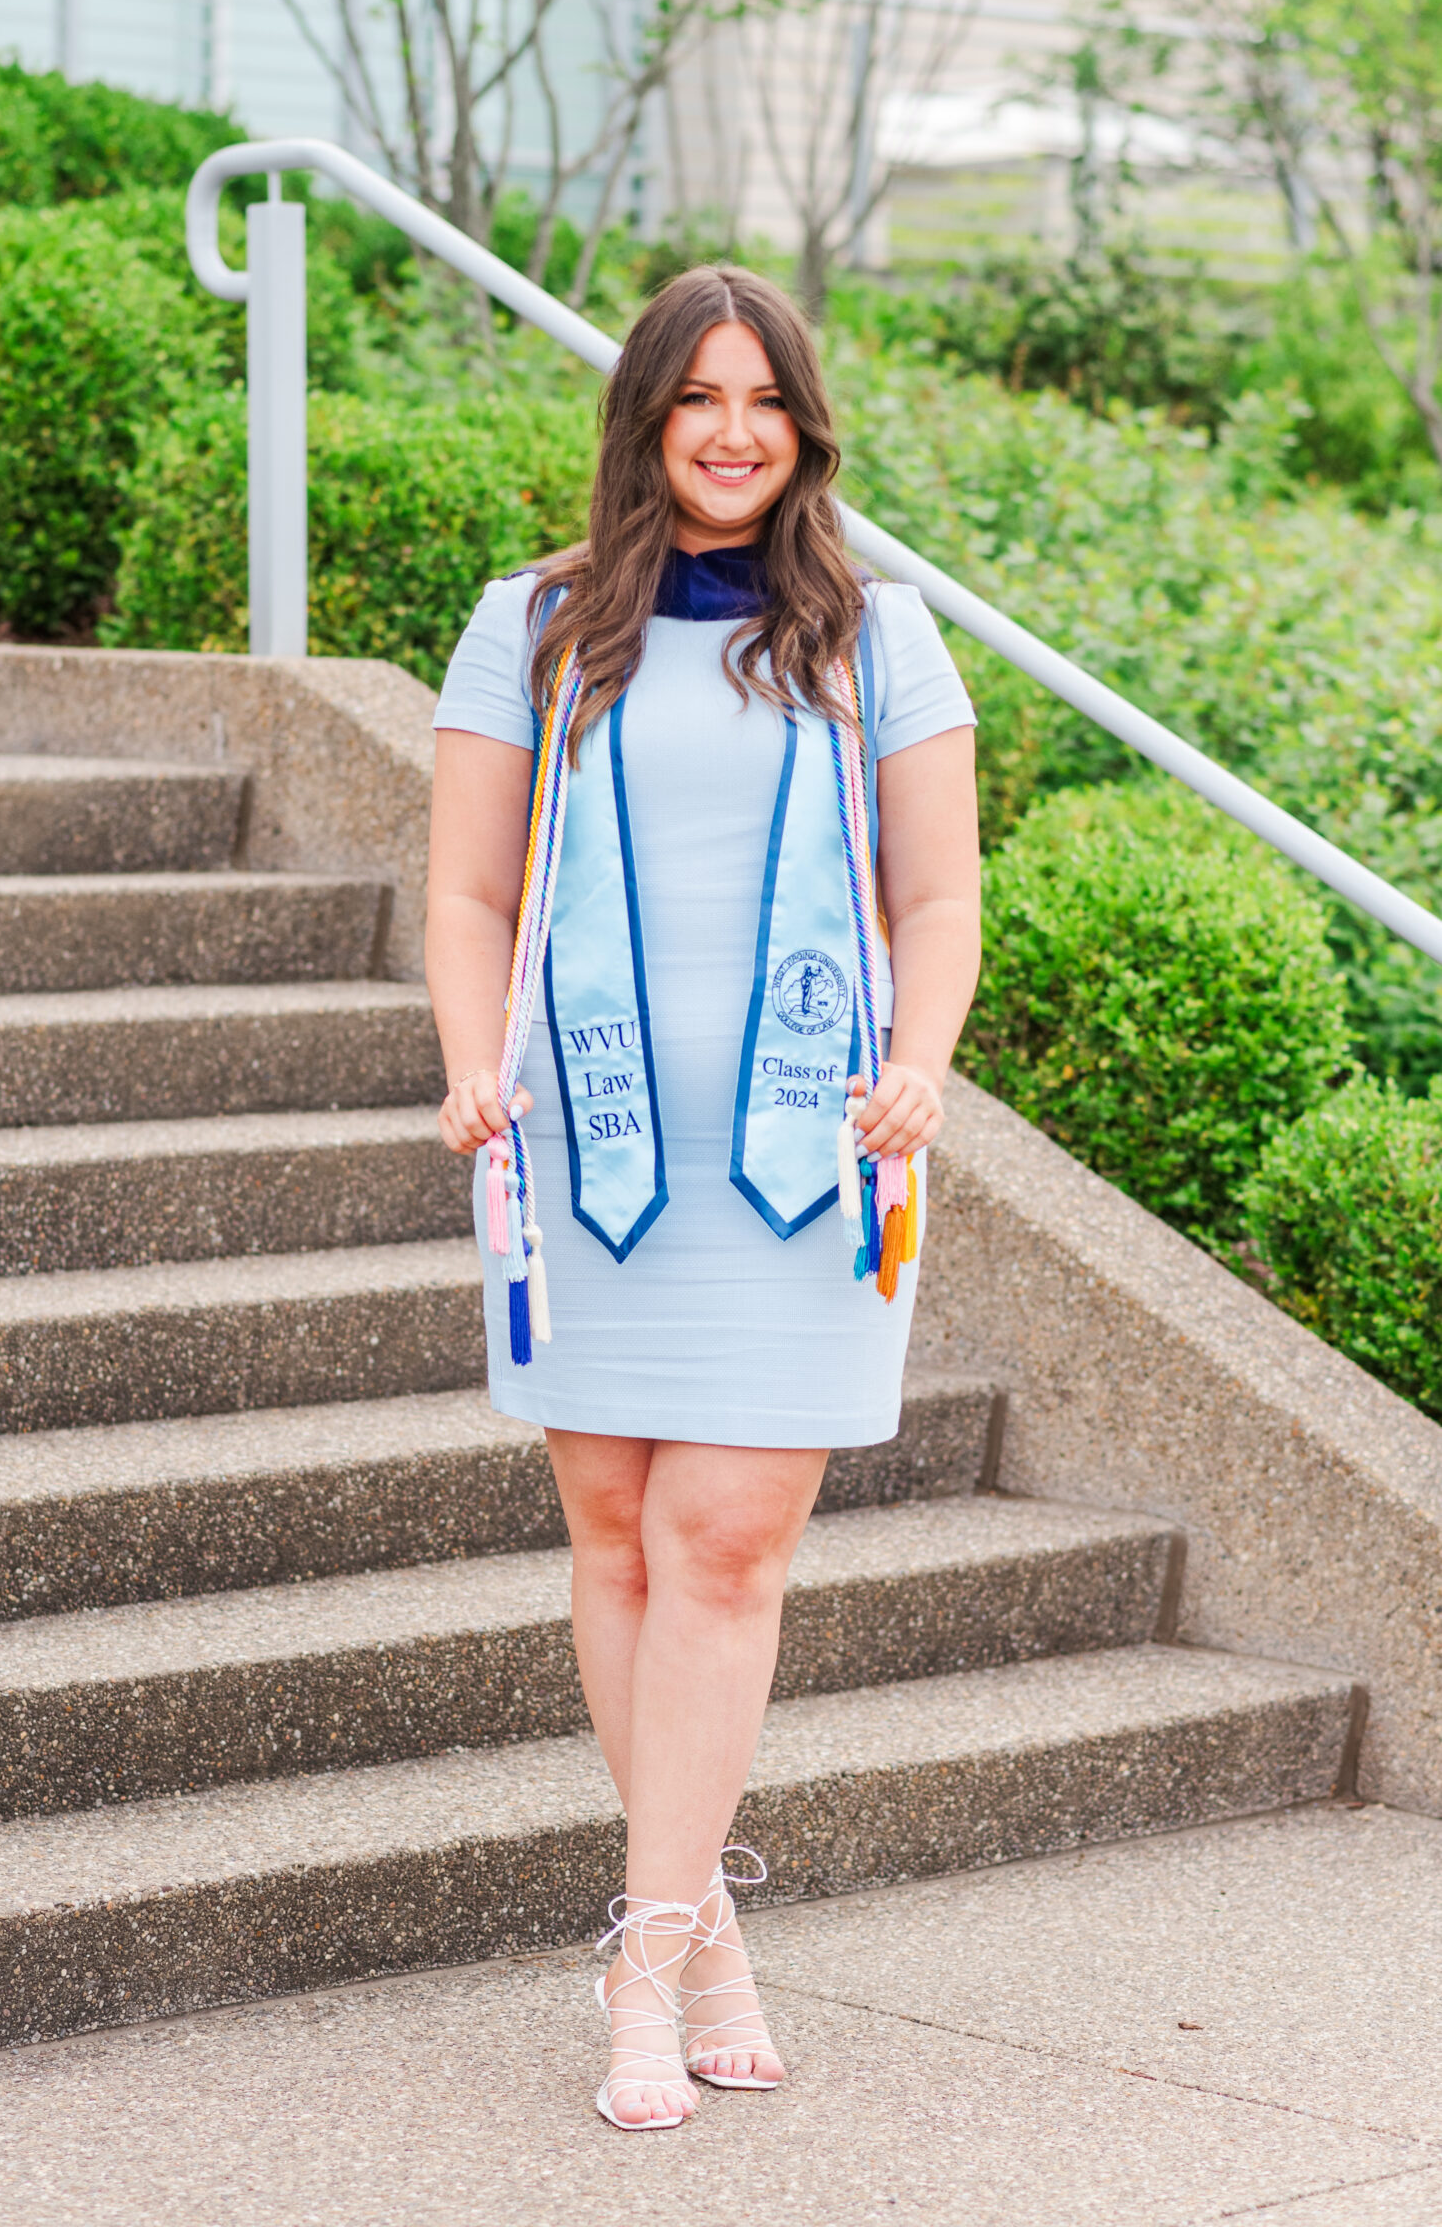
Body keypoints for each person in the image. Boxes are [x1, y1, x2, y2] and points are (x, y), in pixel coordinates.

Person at [425, 265, 981, 2131]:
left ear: (801, 424)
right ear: (645, 421)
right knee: (608, 1535)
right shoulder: (537, 625)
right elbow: (473, 894)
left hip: (806, 1156)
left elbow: (933, 900)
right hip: (583, 1142)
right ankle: (703, 1931)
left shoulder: (876, 640)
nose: (731, 431)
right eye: (695, 400)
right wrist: (462, 1055)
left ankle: (641, 1969)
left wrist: (925, 1052)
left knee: (726, 1542)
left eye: (763, 399)